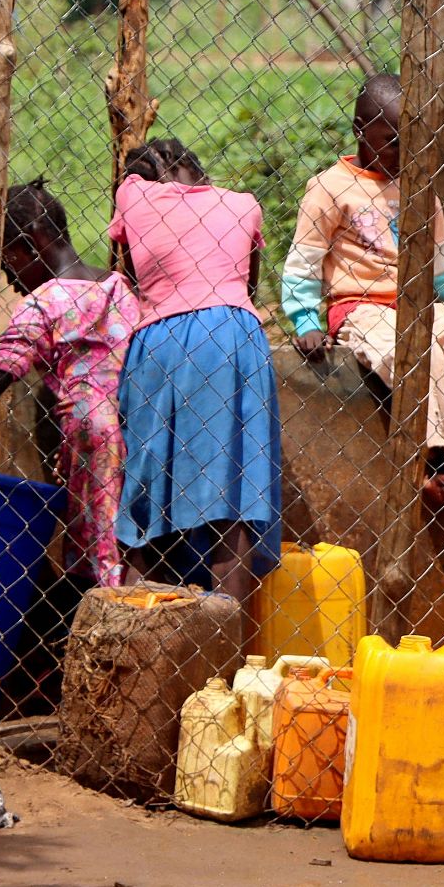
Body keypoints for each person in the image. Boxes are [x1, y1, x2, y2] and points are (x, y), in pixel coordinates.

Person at [282, 73, 444, 514]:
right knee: (407, 354)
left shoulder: (417, 185)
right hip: (360, 306)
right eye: (391, 141)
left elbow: (442, 266)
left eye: (411, 142)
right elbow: (304, 260)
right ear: (360, 130)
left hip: (417, 304)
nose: (401, 153)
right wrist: (305, 320)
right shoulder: (329, 188)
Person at [110, 138, 283, 606]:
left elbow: (132, 275)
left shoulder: (133, 194)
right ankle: (225, 660)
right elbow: (247, 282)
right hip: (235, 339)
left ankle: (142, 637)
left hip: (163, 342)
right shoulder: (243, 205)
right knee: (235, 500)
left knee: (150, 496)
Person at [0, 179, 138, 590]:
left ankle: (99, 626)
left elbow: (4, 369)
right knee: (127, 538)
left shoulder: (43, 302)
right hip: (141, 425)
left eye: (10, 260)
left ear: (34, 243)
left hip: (88, 434)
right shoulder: (119, 287)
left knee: (94, 540)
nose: (9, 275)